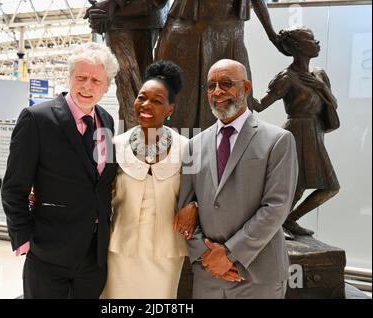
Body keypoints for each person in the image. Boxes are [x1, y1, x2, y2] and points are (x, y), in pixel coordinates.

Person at [1, 42, 120, 299]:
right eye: (81, 77)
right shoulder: (37, 119)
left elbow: (101, 182)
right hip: (48, 250)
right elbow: (14, 187)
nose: (87, 86)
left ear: (107, 86)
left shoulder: (107, 121)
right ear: (69, 77)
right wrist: (24, 239)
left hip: (94, 254)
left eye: (96, 80)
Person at [176, 59, 298, 299]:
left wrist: (230, 254)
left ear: (247, 88)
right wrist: (206, 256)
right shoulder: (193, 146)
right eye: (211, 86)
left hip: (258, 277)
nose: (217, 91)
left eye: (226, 83)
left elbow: (276, 207)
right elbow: (185, 209)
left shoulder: (279, 140)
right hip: (208, 274)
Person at [101, 61, 190, 299]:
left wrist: (195, 207)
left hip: (166, 254)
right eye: (142, 97)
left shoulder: (186, 148)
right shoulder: (115, 145)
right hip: (119, 251)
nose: (146, 105)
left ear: (170, 109)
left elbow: (198, 196)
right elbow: (97, 194)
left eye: (157, 101)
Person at [253, 27, 340, 238]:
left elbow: (333, 104)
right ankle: (277, 224)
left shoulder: (318, 74)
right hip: (296, 133)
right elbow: (260, 105)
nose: (317, 42)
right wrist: (241, 89)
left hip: (315, 132)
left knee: (328, 187)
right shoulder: (287, 77)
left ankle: (288, 220)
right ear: (299, 47)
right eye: (311, 39)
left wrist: (322, 88)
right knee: (294, 185)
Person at [155, 0, 282, 131]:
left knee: (232, 114)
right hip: (186, 33)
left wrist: (273, 36)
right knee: (182, 112)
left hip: (230, 32)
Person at [85, 0, 169, 130]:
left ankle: (137, 141)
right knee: (129, 87)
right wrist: (100, 10)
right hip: (118, 20)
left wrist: (112, 5)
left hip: (139, 16)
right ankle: (135, 139)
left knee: (134, 86)